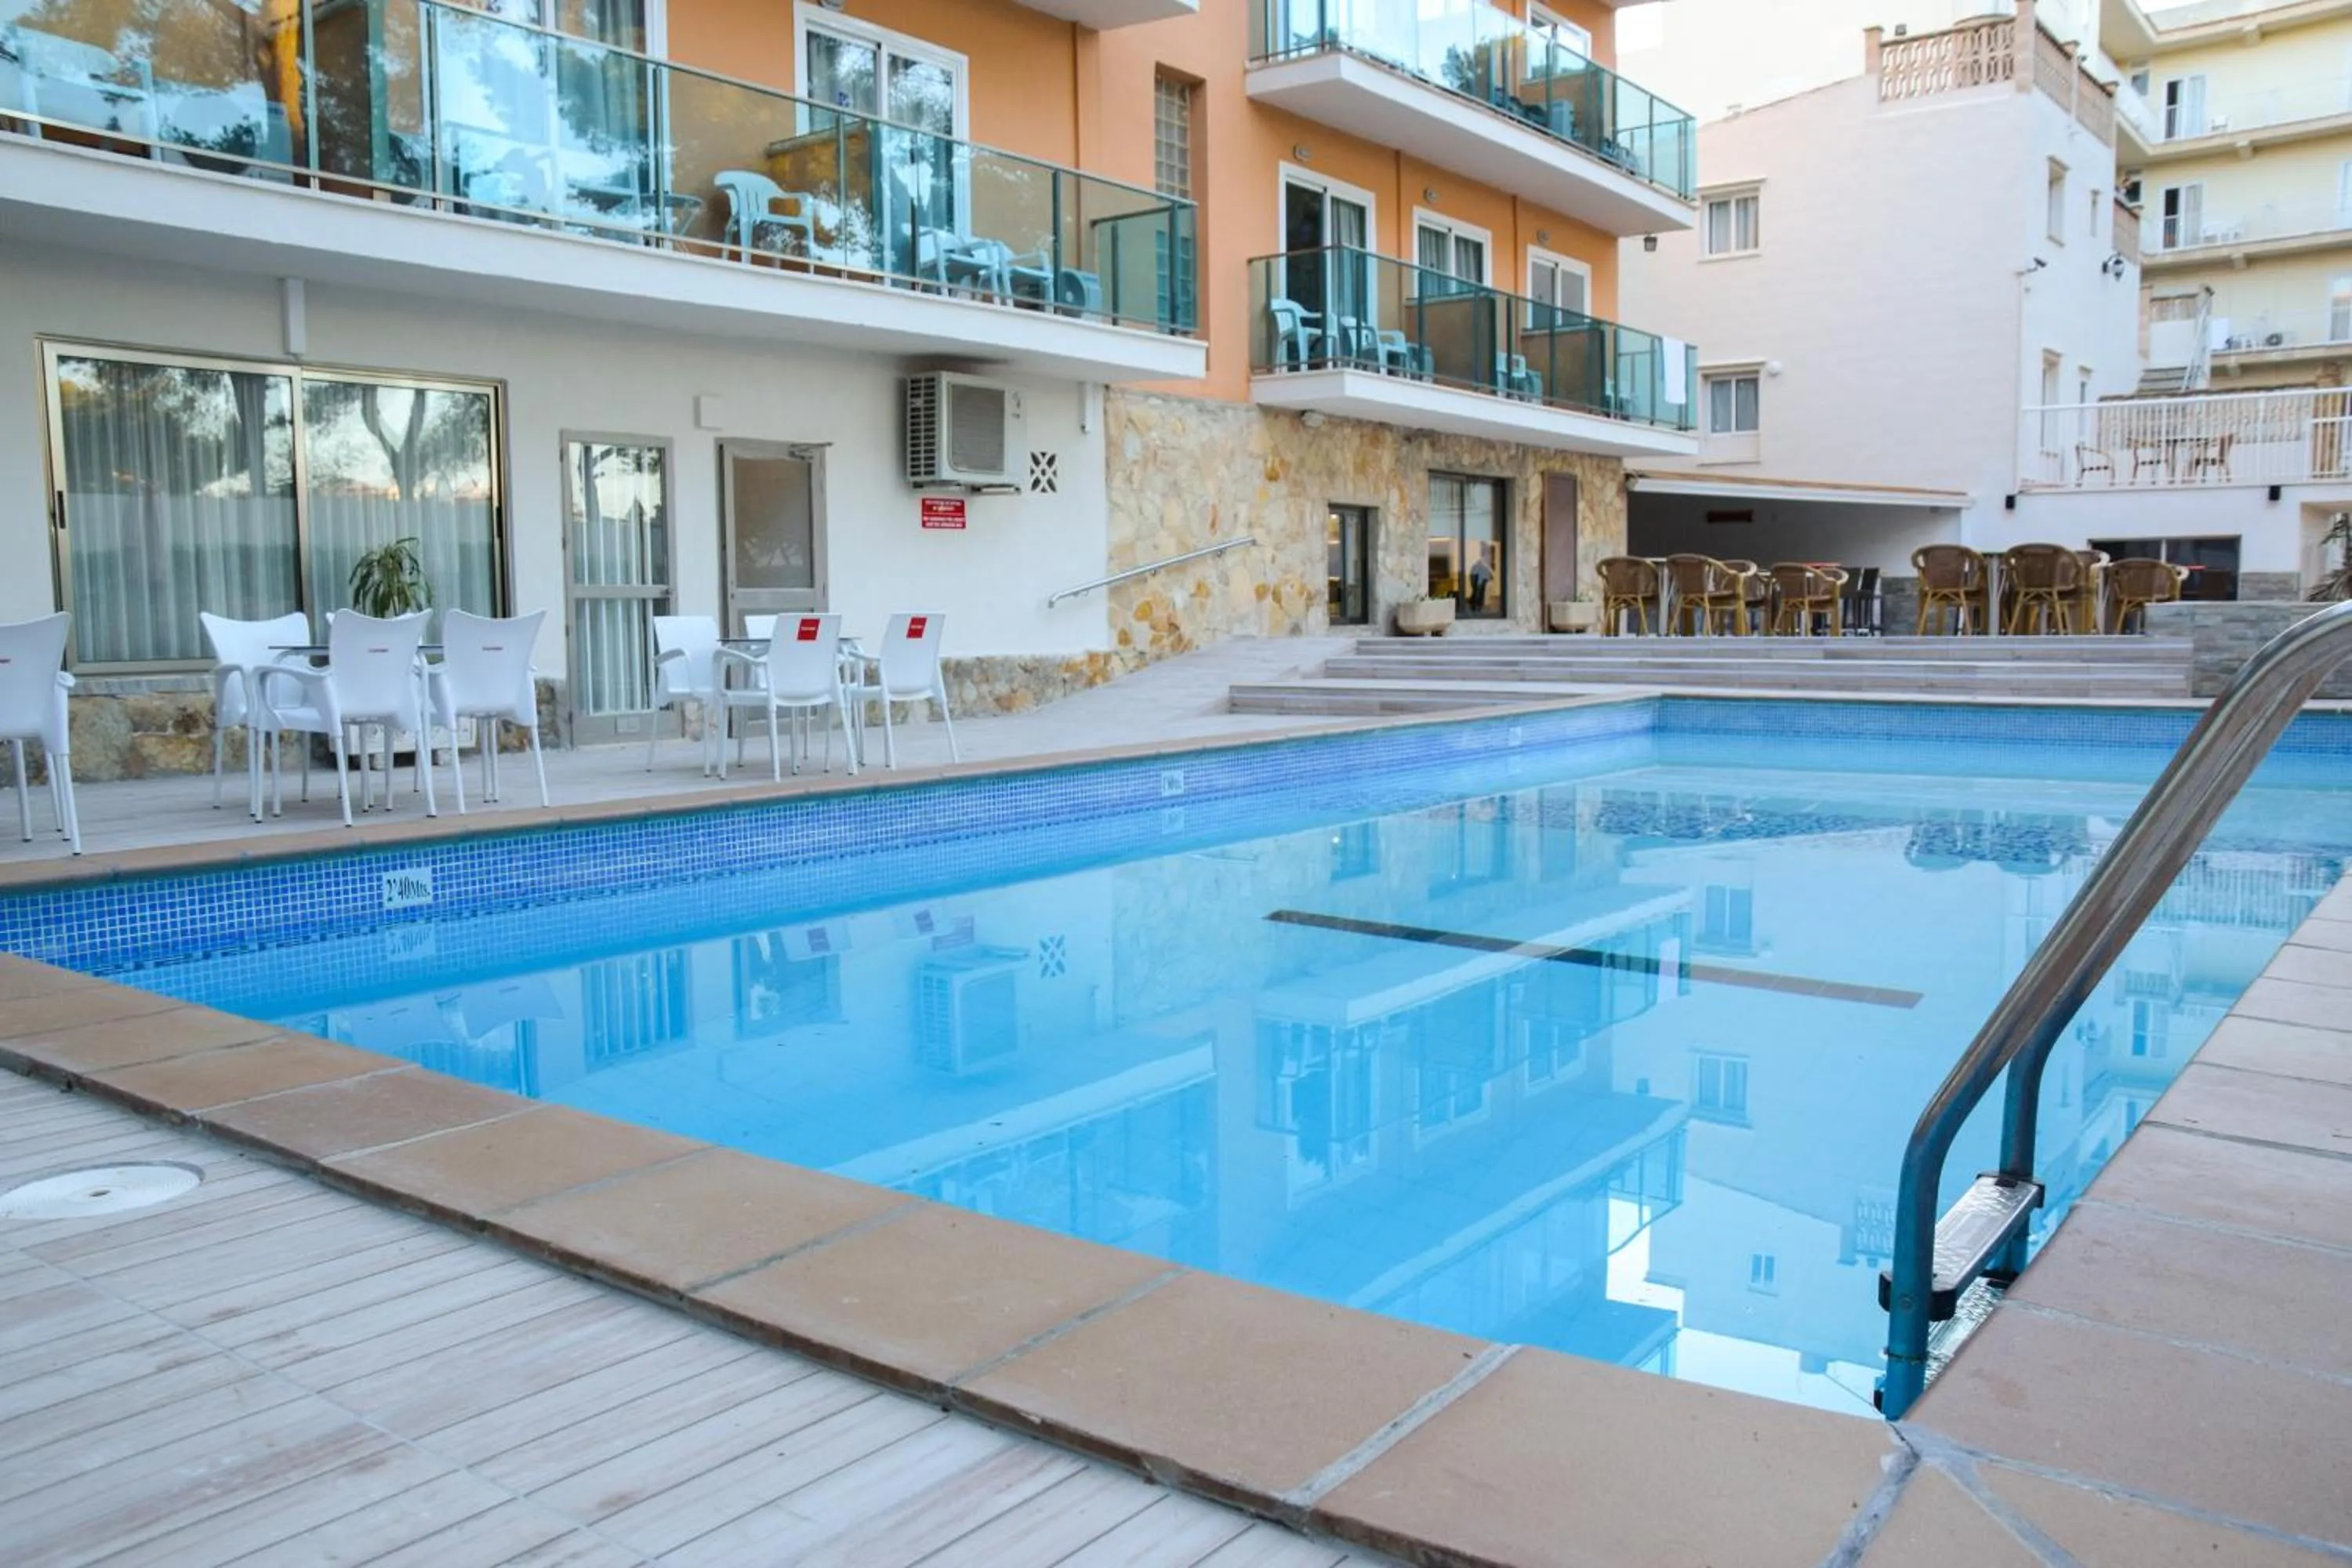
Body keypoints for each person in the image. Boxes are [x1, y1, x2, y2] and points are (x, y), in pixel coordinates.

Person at [1468, 546, 1494, 612]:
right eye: (1488, 554)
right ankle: (1475, 606)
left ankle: (1476, 606)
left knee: (1479, 592)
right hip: (1477, 577)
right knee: (1477, 592)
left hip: (1480, 577)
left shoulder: (1485, 563)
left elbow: (1490, 573)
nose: (1489, 556)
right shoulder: (1480, 563)